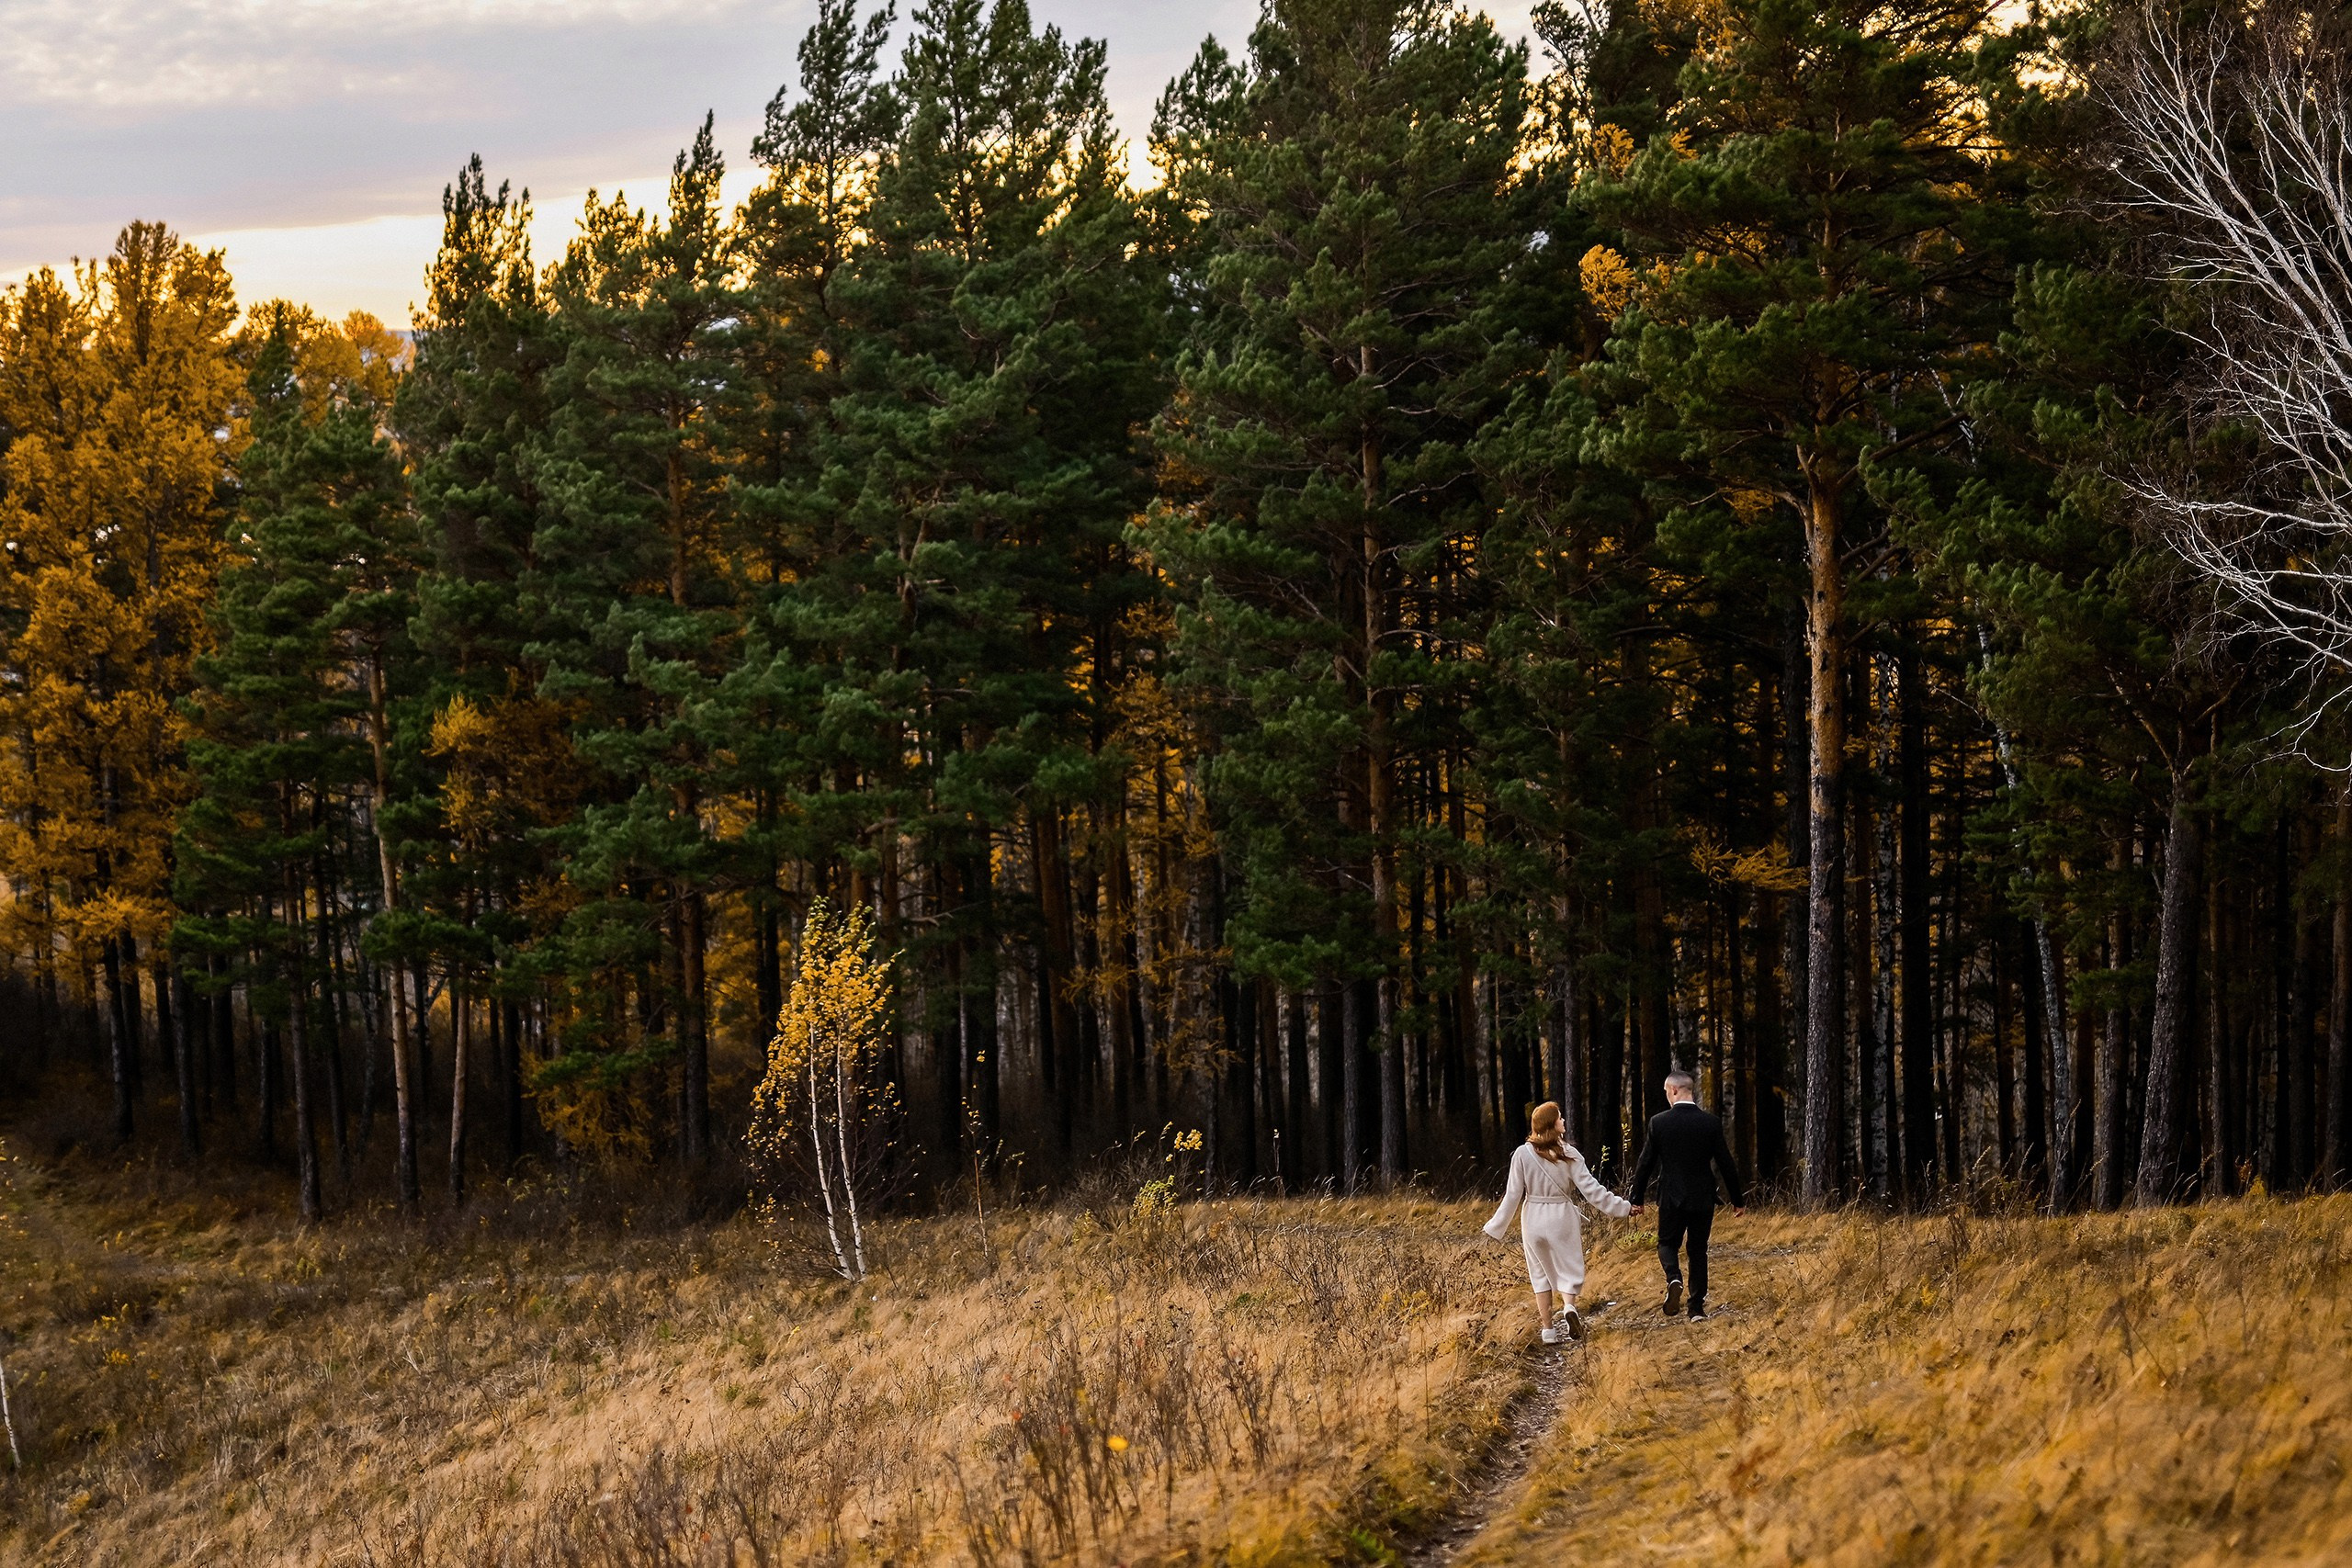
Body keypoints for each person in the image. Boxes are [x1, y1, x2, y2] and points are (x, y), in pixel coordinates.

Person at [1483, 1100, 1633, 1345]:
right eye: (1560, 1118)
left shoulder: (1522, 1154)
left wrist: (1495, 1226)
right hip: (1561, 1216)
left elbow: (1512, 1195)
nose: (1563, 1121)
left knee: (1539, 1272)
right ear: (1552, 1124)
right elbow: (1593, 1191)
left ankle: (1548, 1331)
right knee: (1569, 1267)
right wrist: (1623, 1208)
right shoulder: (1569, 1154)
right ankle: (1569, 1307)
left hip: (1532, 1217)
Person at [1628, 1069, 1746, 1321]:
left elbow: (1645, 1163)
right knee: (1698, 1250)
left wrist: (1636, 1198)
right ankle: (1696, 1309)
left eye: (1666, 1092)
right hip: (1702, 1197)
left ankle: (1674, 1277)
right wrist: (1738, 1200)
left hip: (1671, 1196)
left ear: (1673, 1090)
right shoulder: (1710, 1123)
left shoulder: (1659, 1122)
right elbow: (1726, 1163)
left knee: (1667, 1244)